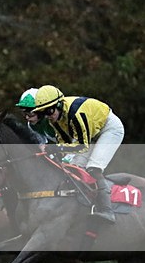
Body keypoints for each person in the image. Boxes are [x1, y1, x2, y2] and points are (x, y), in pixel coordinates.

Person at [31, 84, 125, 223]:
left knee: (94, 168)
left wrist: (56, 148)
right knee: (74, 168)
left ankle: (107, 210)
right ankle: (82, 206)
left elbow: (81, 146)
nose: (48, 116)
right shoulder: (54, 119)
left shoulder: (76, 114)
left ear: (59, 105)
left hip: (108, 129)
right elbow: (65, 142)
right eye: (43, 113)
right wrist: (57, 155)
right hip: (91, 134)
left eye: (49, 111)